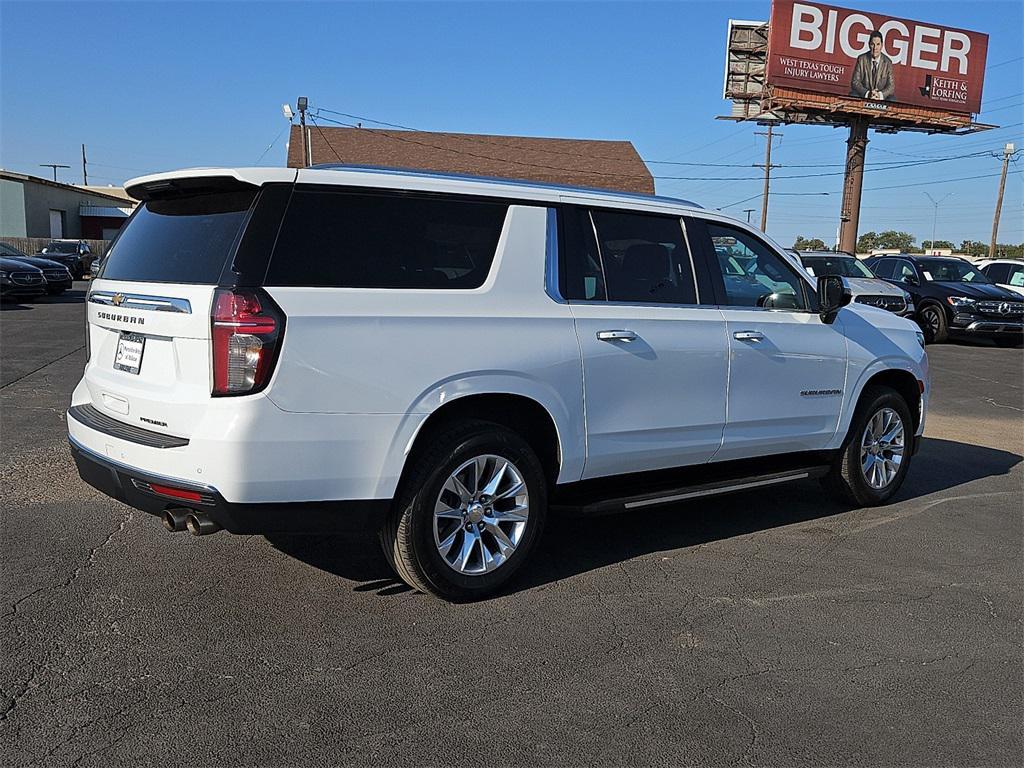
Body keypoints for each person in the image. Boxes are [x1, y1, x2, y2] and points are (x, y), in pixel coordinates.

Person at [849, 30, 895, 101]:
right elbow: (855, 82)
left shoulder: (888, 62)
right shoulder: (861, 59)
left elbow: (891, 86)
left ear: (882, 46)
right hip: (864, 95)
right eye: (872, 44)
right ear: (869, 45)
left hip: (879, 97)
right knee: (853, 95)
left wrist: (879, 95)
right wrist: (868, 93)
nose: (875, 48)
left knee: (892, 99)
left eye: (878, 44)